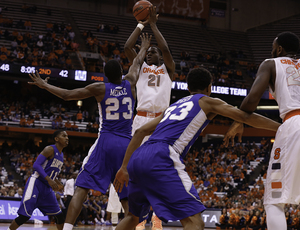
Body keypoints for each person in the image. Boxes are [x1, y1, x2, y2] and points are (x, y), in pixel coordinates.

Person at [113, 67, 280, 230]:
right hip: (162, 155)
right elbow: (245, 115)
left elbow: (140, 131)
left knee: (132, 217)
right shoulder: (207, 101)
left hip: (138, 156)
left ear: (188, 88)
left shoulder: (173, 106)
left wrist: (123, 167)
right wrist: (281, 127)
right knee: (195, 222)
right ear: (209, 88)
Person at [28, 33, 152, 230]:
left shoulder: (100, 87)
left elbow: (68, 95)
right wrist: (144, 46)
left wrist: (44, 85)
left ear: (105, 75)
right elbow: (137, 62)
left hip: (105, 142)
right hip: (126, 146)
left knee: (82, 188)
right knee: (126, 197)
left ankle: (67, 229)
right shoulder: (130, 82)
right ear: (121, 71)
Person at [223, 31, 300, 230]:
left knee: (274, 201)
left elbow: (252, 99)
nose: (271, 50)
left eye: (273, 47)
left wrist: (239, 119)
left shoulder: (271, 63)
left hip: (294, 123)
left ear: (279, 49)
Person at [113, 5, 175, 230]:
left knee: (158, 168)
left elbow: (166, 49)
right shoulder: (140, 67)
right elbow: (128, 46)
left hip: (161, 121)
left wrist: (154, 26)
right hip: (140, 119)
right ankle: (137, 216)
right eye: (149, 52)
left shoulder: (168, 70)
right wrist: (141, 25)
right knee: (136, 167)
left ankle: (157, 215)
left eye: (153, 52)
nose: (151, 53)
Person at [7, 130, 68, 230]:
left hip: (47, 189)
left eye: (67, 136)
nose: (67, 138)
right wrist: (49, 179)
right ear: (56, 139)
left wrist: (58, 183)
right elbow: (36, 165)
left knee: (59, 216)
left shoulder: (61, 156)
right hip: (36, 183)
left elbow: (51, 173)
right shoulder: (49, 149)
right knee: (24, 216)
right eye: (64, 136)